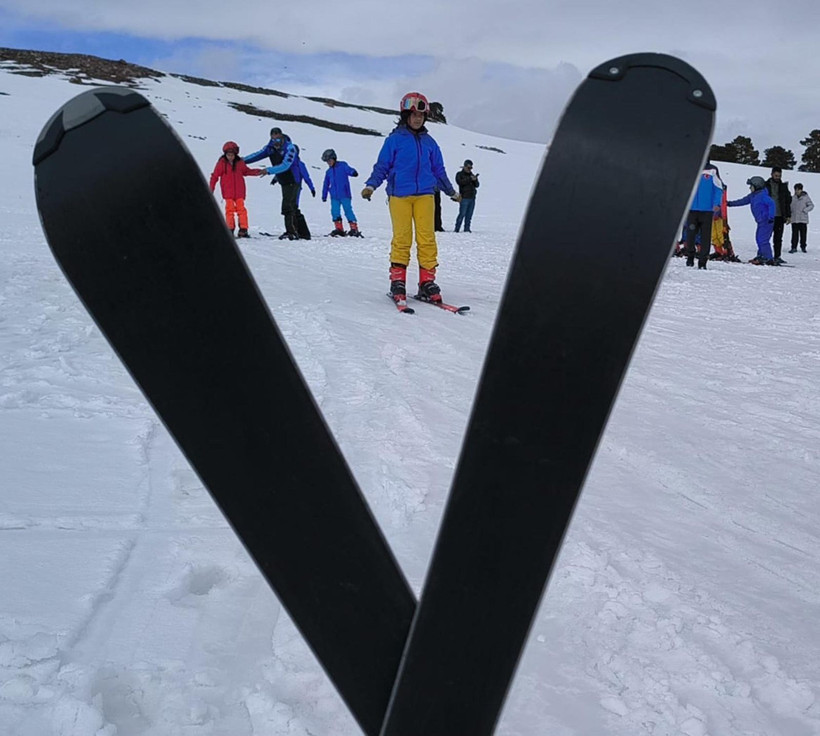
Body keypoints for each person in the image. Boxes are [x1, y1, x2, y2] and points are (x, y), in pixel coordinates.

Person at [361, 92, 460, 306]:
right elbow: (383, 166)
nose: (417, 119)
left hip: (425, 194)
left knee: (427, 238)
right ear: (405, 115)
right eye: (413, 114)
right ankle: (398, 281)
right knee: (402, 237)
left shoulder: (430, 143)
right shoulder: (394, 140)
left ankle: (427, 282)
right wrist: (371, 185)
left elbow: (438, 170)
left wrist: (451, 192)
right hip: (399, 196)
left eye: (421, 115)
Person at [244, 127, 306, 240]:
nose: (275, 142)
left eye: (277, 140)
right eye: (273, 140)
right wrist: (242, 160)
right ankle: (303, 233)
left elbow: (285, 165)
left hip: (293, 180)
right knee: (292, 206)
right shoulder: (270, 148)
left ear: (281, 137)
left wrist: (268, 170)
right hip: (284, 180)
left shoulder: (290, 148)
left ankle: (292, 232)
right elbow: (257, 155)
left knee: (288, 206)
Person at [208, 141, 267, 237]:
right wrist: (211, 189)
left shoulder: (240, 163)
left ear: (235, 154)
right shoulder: (221, 163)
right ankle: (230, 229)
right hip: (228, 192)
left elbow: (246, 171)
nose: (230, 157)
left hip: (239, 192)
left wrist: (258, 172)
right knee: (229, 210)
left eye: (232, 155)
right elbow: (214, 176)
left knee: (241, 210)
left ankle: (243, 229)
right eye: (228, 155)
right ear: (225, 154)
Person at [727, 176, 777, 265]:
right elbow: (742, 201)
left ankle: (768, 258)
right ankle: (761, 255)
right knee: (759, 238)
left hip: (766, 221)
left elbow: (772, 204)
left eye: (751, 186)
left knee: (762, 240)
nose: (750, 188)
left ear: (757, 186)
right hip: (761, 221)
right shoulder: (753, 196)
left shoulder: (763, 196)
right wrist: (730, 204)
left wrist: (771, 217)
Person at [683, 162, 723, 269]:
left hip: (707, 210)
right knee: (690, 235)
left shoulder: (713, 170)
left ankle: (703, 261)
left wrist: (716, 203)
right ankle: (690, 254)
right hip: (691, 209)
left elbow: (718, 188)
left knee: (705, 237)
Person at [321, 148, 361, 237]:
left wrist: (353, 172)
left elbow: (348, 169)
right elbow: (326, 184)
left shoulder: (342, 165)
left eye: (330, 160)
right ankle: (339, 228)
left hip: (345, 194)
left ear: (334, 158)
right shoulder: (328, 172)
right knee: (335, 211)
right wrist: (324, 195)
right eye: (327, 162)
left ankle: (354, 228)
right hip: (334, 196)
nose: (329, 163)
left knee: (348, 210)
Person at [765, 166, 792, 263]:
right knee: (765, 237)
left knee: (778, 238)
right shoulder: (766, 185)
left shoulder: (783, 187)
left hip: (780, 216)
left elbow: (787, 201)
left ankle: (777, 256)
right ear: (771, 174)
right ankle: (764, 255)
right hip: (768, 216)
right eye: (776, 175)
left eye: (779, 176)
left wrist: (788, 215)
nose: (777, 177)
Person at [454, 159, 480, 232]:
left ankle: (467, 229)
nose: (470, 169)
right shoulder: (459, 174)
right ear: (464, 167)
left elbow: (477, 185)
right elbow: (460, 182)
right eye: (468, 167)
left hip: (472, 198)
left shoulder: (471, 175)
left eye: (471, 168)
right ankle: (457, 229)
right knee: (462, 214)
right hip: (464, 198)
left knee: (469, 215)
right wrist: (470, 179)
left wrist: (475, 180)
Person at [789, 183, 814, 253]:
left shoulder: (806, 198)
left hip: (803, 219)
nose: (797, 191)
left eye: (798, 190)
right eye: (796, 190)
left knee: (803, 235)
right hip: (794, 219)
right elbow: (790, 207)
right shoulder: (792, 198)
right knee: (794, 234)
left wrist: (805, 210)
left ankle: (803, 247)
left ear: (801, 190)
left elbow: (811, 205)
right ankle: (793, 247)